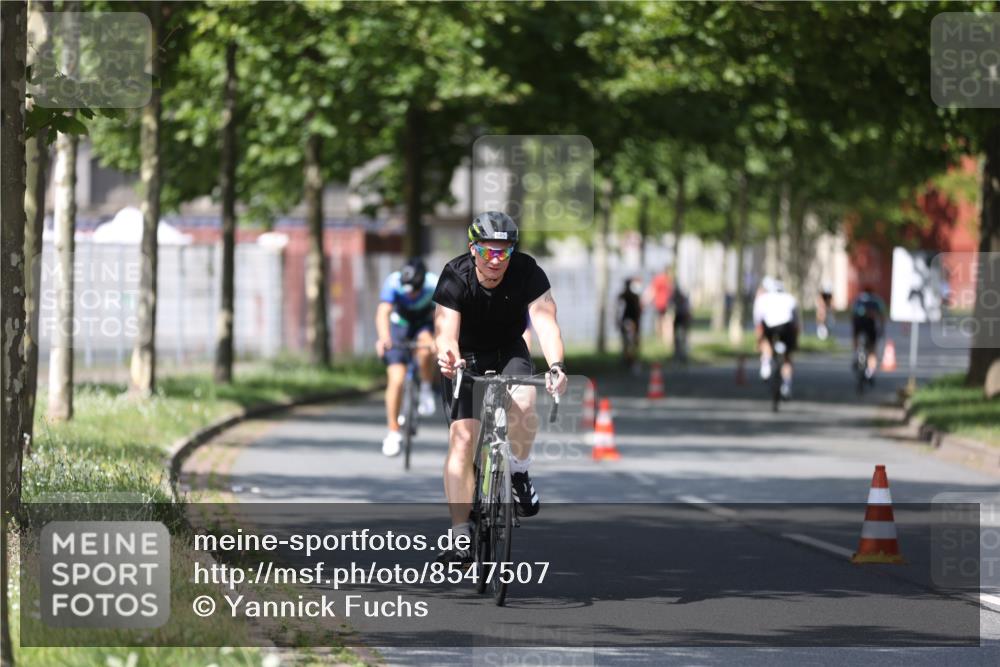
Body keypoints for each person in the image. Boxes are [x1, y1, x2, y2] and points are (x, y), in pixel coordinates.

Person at [432, 211, 568, 564]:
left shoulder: (527, 271)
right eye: (488, 252)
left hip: (508, 349)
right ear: (472, 249)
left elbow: (545, 321)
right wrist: (449, 358)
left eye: (503, 252)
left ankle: (519, 471)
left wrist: (556, 366)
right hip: (465, 355)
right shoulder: (454, 275)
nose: (496, 261)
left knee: (526, 402)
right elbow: (446, 331)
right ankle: (460, 532)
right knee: (463, 439)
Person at [375, 257, 439, 457]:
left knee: (426, 347)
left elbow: (442, 314)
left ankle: (427, 388)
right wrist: (384, 338)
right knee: (396, 379)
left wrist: (439, 339)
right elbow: (383, 312)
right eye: (407, 289)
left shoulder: (433, 284)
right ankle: (393, 431)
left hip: (423, 323)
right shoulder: (393, 282)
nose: (410, 293)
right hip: (400, 324)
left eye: (415, 290)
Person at [752, 276, 799, 399]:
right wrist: (794, 343)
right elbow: (796, 324)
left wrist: (758, 342)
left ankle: (766, 364)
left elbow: (758, 323)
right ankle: (787, 386)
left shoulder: (763, 299)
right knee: (787, 358)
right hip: (787, 326)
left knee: (766, 340)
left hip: (770, 326)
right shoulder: (790, 298)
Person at [851, 285, 887, 381]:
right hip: (870, 324)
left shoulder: (859, 298)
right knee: (872, 349)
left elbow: (853, 313)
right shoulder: (876, 300)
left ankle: (855, 355)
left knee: (856, 337)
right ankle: (870, 372)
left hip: (858, 323)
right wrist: (882, 328)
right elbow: (881, 315)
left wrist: (854, 328)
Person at [643, 266, 673, 347]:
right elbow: (652, 290)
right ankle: (662, 339)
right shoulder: (660, 279)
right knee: (661, 322)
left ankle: (667, 340)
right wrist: (645, 301)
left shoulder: (669, 280)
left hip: (666, 305)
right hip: (660, 304)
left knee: (666, 321)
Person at [616, 277, 642, 370]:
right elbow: (638, 310)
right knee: (629, 342)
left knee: (628, 342)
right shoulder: (632, 296)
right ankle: (629, 360)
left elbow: (618, 310)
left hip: (628, 321)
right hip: (630, 321)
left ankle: (629, 360)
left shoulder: (624, 296)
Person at [670, 284, 692, 363]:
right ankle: (678, 353)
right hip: (678, 317)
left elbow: (688, 309)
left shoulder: (685, 298)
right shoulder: (675, 297)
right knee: (677, 337)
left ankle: (684, 354)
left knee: (684, 336)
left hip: (683, 317)